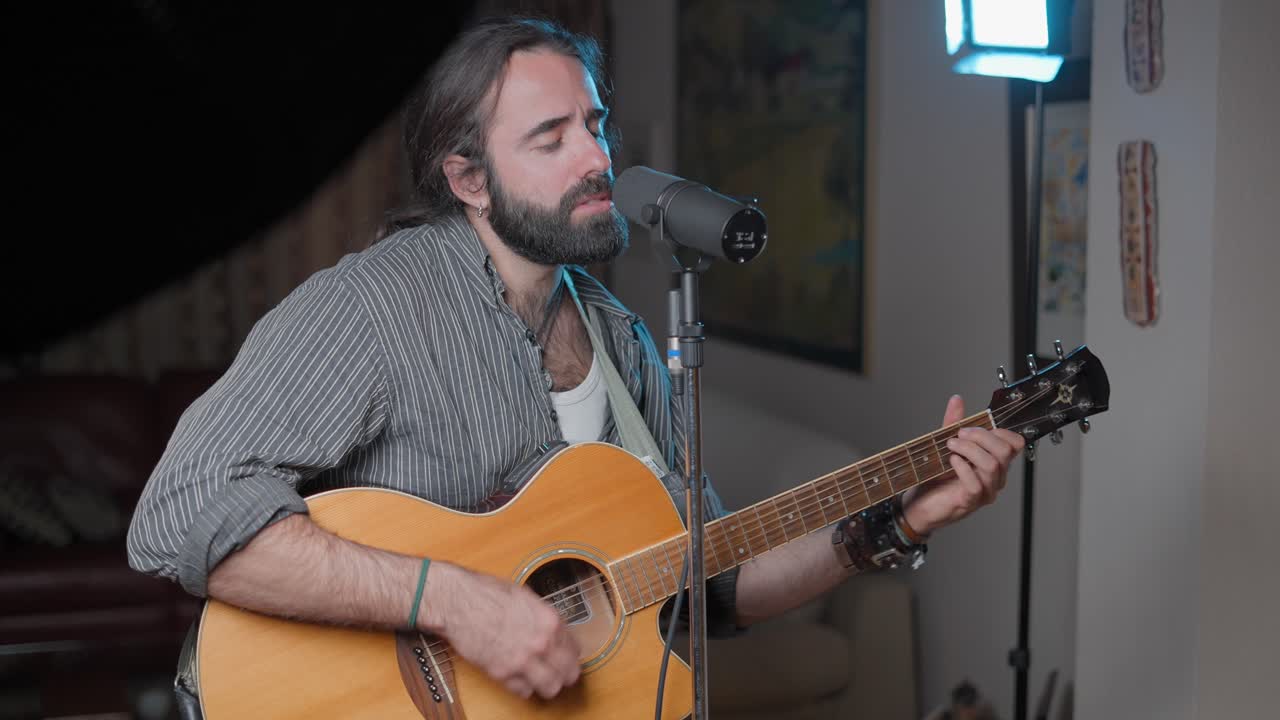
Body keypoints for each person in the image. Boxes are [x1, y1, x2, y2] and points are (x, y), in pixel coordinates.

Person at [126, 14, 1024, 707]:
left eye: (595, 126)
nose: (597, 159)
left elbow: (708, 590)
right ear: (468, 180)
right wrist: (455, 603)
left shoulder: (622, 338)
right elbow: (178, 512)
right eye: (550, 139)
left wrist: (897, 523)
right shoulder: (371, 307)